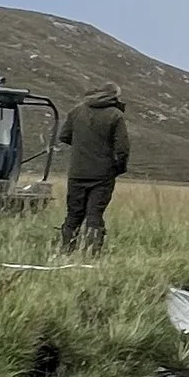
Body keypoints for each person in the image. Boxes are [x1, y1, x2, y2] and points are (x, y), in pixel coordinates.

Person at [56, 84, 130, 252]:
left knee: (73, 214)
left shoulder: (77, 111)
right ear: (115, 96)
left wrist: (83, 147)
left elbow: (64, 136)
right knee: (94, 215)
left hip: (77, 172)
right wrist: (118, 168)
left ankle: (66, 251)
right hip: (102, 175)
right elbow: (122, 149)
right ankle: (91, 254)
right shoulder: (115, 115)